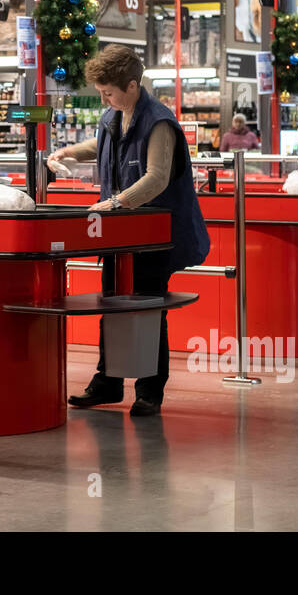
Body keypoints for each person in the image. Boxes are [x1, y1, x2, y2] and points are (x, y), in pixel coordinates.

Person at [47, 44, 209, 416]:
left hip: (153, 236)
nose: (105, 98)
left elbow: (156, 178)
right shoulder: (114, 115)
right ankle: (108, 382)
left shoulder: (159, 122)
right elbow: (103, 144)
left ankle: (150, 390)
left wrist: (116, 203)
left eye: (108, 92)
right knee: (113, 306)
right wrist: (69, 152)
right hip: (119, 237)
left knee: (148, 309)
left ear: (132, 86)